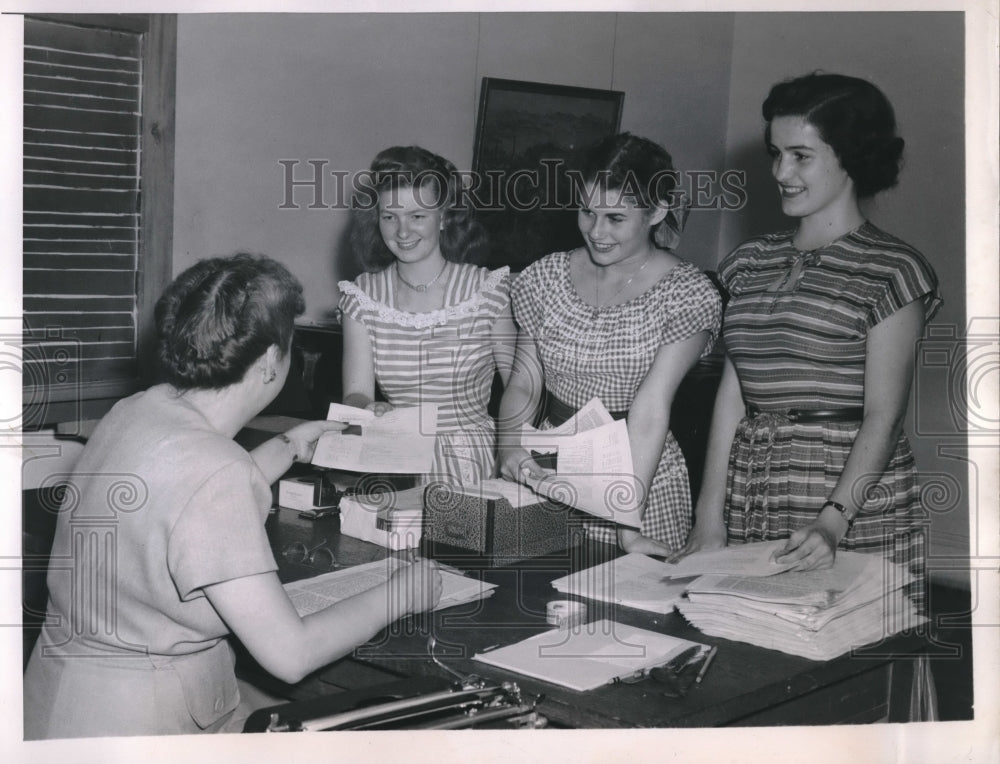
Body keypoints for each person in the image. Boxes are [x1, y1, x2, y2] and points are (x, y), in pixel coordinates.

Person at [23, 254, 442, 739]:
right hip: (143, 726)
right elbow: (291, 655)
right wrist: (403, 594)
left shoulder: (138, 408)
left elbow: (175, 491)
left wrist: (286, 447)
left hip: (60, 701)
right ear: (269, 362)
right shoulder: (216, 471)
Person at [678, 73, 941, 599]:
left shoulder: (892, 269)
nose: (781, 172)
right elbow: (733, 397)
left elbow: (883, 416)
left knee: (847, 651)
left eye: (801, 156)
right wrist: (709, 516)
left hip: (849, 494)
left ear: (851, 157)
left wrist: (834, 522)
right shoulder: (749, 262)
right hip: (754, 486)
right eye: (776, 153)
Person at [498, 133, 722, 556]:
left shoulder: (687, 293)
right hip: (551, 472)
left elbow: (651, 410)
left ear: (656, 211)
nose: (596, 231)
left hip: (640, 478)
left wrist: (627, 525)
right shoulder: (543, 278)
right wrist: (511, 447)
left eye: (615, 218)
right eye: (586, 211)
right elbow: (524, 383)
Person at [339, 146, 515, 485]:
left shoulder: (486, 290)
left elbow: (520, 385)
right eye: (390, 216)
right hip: (397, 463)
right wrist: (369, 408)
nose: (402, 232)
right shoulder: (362, 296)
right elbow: (356, 394)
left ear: (444, 216)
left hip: (474, 465)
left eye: (417, 216)